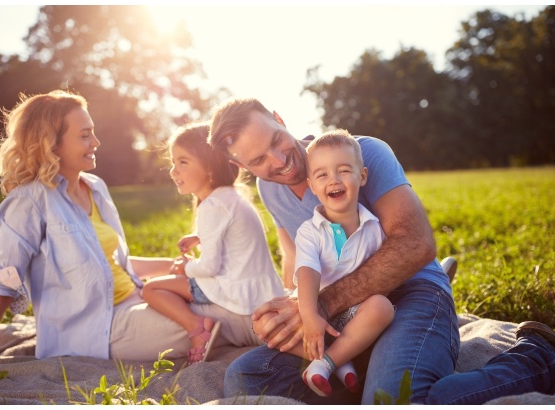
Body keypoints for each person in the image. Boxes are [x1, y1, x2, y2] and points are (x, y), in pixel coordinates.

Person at [209, 97, 555, 404]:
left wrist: (320, 304)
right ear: (243, 168)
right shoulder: (270, 189)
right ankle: (363, 375)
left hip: (411, 292)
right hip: (343, 316)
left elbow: (415, 244)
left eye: (276, 140)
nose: (279, 159)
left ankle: (538, 358)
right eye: (259, 159)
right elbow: (296, 257)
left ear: (279, 118)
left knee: (394, 400)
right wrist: (291, 310)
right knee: (246, 378)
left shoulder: (363, 152)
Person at [0, 90, 269, 371]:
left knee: (216, 300)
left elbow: (113, 266)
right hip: (99, 328)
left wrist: (176, 268)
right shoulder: (29, 201)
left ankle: (286, 317)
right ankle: (284, 325)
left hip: (133, 299)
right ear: (52, 143)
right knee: (218, 316)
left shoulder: (94, 187)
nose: (96, 142)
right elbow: (1, 286)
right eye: (84, 135)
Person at [253, 129, 394, 397]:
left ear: (361, 176)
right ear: (313, 185)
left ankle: (325, 363)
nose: (333, 180)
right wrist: (309, 315)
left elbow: (383, 276)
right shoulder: (310, 230)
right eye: (322, 175)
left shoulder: (374, 227)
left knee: (382, 307)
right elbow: (307, 272)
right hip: (315, 310)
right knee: (264, 322)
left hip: (355, 314)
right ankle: (340, 361)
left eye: (343, 171)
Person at [141, 122, 284, 365]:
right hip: (262, 290)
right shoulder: (231, 196)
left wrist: (184, 268)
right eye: (173, 162)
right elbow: (230, 233)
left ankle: (197, 328)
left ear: (209, 167)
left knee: (151, 289)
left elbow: (209, 268)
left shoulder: (212, 206)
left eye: (183, 162)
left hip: (236, 293)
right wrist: (199, 236)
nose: (173, 171)